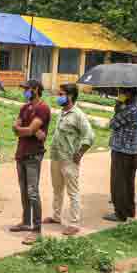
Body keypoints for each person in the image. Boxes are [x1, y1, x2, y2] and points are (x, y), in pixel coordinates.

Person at [43, 84, 94, 235]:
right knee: (57, 189)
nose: (59, 96)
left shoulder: (78, 115)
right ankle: (56, 216)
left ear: (70, 96)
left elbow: (89, 136)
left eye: (61, 94)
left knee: (72, 191)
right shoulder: (62, 112)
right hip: (56, 157)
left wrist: (80, 153)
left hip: (69, 159)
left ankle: (74, 223)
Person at [10, 80, 51, 244]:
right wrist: (27, 131)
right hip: (21, 153)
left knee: (33, 192)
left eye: (27, 89)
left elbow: (29, 129)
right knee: (23, 190)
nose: (25, 92)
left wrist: (27, 131)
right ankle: (26, 222)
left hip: (34, 155)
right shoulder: (24, 107)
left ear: (36, 89)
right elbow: (18, 128)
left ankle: (37, 229)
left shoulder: (43, 108)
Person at [105, 87, 137, 221]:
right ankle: (129, 210)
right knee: (128, 182)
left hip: (122, 150)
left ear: (128, 93)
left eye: (121, 92)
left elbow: (113, 124)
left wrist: (117, 108)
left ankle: (120, 213)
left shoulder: (130, 109)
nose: (119, 95)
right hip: (132, 151)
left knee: (119, 183)